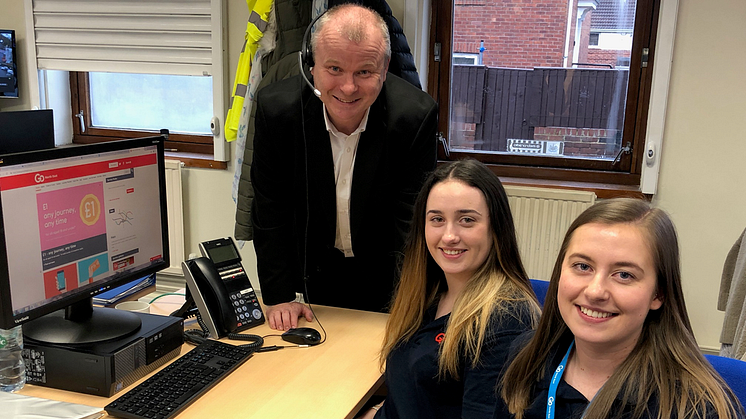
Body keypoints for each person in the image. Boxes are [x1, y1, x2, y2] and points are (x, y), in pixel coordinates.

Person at [249, 4, 438, 330]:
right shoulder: (277, 111)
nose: (348, 88)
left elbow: (412, 223)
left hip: (386, 274)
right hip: (311, 275)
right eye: (334, 69)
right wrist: (278, 295)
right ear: (311, 65)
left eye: (364, 72)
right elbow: (270, 209)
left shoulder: (414, 118)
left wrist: (411, 304)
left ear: (385, 67)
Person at [500, 198, 744, 419]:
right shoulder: (527, 357)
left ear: (658, 293)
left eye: (624, 275)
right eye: (583, 266)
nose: (595, 291)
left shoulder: (698, 409)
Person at [359, 159, 540, 419]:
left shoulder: (505, 321)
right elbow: (410, 396)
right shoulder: (429, 295)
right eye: (437, 219)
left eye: (466, 220)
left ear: (496, 228)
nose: (449, 235)